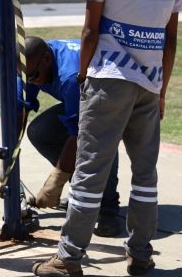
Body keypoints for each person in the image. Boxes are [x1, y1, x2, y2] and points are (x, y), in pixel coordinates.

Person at [32, 0, 182, 276]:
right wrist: (161, 92)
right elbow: (170, 39)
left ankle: (68, 258)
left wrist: (83, 75)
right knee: (145, 175)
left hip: (109, 78)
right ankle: (139, 255)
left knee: (90, 172)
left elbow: (90, 31)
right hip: (150, 82)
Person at [17, 36, 121, 237]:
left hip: (117, 97)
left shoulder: (70, 75)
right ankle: (85, 194)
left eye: (34, 76)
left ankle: (107, 208)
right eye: (26, 78)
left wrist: (55, 182)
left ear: (47, 59)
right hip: (85, 98)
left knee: (99, 142)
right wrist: (9, 159)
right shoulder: (30, 65)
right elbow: (20, 109)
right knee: (40, 131)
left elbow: (79, 135)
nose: (31, 81)